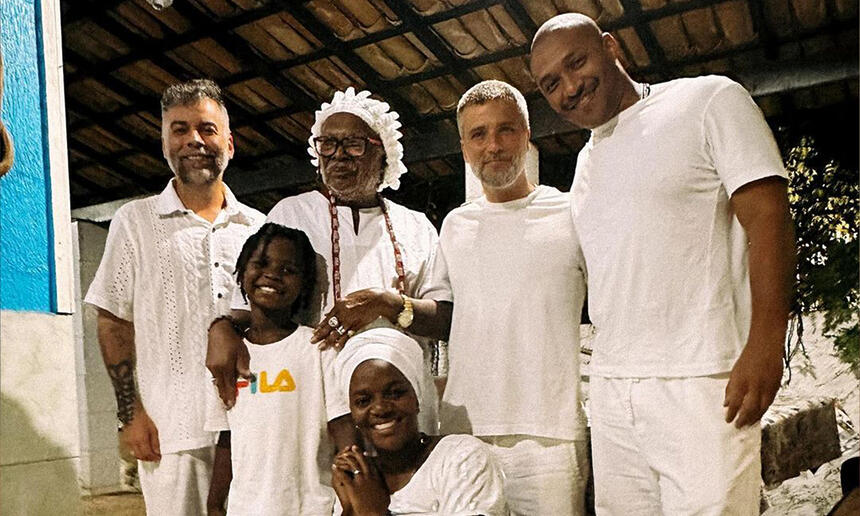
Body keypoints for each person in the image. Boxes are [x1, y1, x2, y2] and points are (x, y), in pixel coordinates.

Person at [530, 13, 795, 514]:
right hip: (613, 390)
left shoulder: (707, 100)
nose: (569, 87)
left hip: (702, 381)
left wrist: (765, 344)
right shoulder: (587, 161)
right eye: (550, 84)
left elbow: (769, 218)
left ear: (611, 48)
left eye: (576, 62)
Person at [317, 80, 591, 515]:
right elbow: (445, 316)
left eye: (506, 130)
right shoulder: (455, 226)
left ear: (527, 134)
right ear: (464, 147)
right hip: (467, 428)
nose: (494, 145)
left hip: (549, 436)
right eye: (479, 134)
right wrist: (390, 303)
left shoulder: (571, 213)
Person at [207, 88, 449, 434]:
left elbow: (444, 320)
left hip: (398, 405)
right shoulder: (291, 214)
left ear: (383, 153)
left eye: (353, 144)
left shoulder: (416, 227)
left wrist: (387, 304)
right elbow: (248, 306)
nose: (338, 157)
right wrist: (221, 327)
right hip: (314, 402)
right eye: (327, 145)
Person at [85, 79, 265, 515]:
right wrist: (131, 414)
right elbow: (112, 321)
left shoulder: (259, 227)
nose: (194, 141)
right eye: (179, 130)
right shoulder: (136, 221)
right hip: (173, 431)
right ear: (164, 142)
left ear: (230, 142)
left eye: (206, 129)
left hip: (254, 426)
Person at [205, 223, 354, 516]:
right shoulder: (225, 358)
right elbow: (226, 440)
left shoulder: (318, 349)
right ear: (241, 274)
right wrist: (214, 504)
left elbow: (344, 433)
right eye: (260, 263)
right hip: (245, 509)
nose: (272, 274)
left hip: (312, 508)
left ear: (305, 284)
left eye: (288, 269)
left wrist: (349, 503)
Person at [332, 327, 508, 516]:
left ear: (416, 397)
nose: (380, 409)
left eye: (395, 393)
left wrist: (374, 513)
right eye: (363, 401)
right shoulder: (359, 478)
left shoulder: (461, 457)